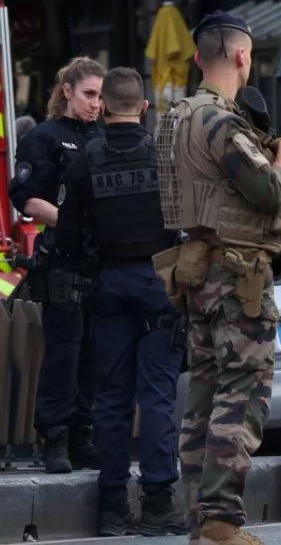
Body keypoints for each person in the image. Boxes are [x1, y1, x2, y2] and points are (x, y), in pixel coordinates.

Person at [153, 11, 281, 545]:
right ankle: (219, 518)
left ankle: (202, 519)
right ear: (242, 55)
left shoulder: (175, 117)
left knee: (204, 398)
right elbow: (269, 192)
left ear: (196, 58)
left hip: (198, 268)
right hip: (238, 274)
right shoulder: (220, 121)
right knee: (242, 395)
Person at [56, 68, 186, 537]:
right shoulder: (165, 156)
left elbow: (68, 234)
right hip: (159, 284)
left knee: (110, 399)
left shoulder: (85, 160)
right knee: (157, 397)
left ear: (105, 107)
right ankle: (158, 505)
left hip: (108, 285)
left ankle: (112, 507)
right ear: (145, 107)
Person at [9, 56, 104, 473]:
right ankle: (55, 438)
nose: (96, 104)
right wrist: (74, 223)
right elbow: (27, 198)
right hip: (64, 260)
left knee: (94, 353)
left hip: (101, 260)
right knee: (63, 353)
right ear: (67, 91)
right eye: (88, 94)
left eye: (101, 96)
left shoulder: (105, 137)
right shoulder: (45, 137)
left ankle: (83, 433)